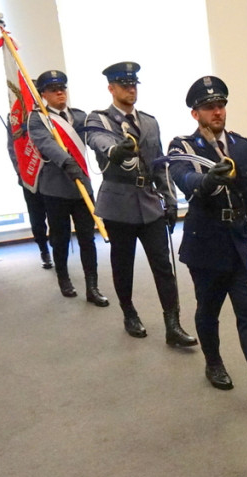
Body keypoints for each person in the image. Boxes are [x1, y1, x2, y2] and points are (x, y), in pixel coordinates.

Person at [166, 76, 247, 407]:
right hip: (206, 245)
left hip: (241, 243)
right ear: (195, 113)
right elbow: (184, 177)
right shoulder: (182, 146)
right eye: (208, 107)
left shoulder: (242, 144)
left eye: (220, 105)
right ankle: (213, 362)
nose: (217, 112)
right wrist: (205, 180)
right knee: (208, 309)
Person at [86, 62, 196, 346]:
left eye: (133, 84)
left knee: (163, 266)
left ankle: (173, 324)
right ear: (111, 88)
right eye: (124, 85)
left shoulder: (149, 121)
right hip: (118, 204)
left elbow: (159, 164)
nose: (130, 89)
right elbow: (98, 141)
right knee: (123, 265)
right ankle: (129, 313)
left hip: (149, 203)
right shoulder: (99, 119)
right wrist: (115, 149)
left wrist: (170, 200)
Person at [27, 70, 107, 305]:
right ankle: (63, 278)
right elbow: (46, 145)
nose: (60, 92)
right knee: (60, 238)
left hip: (82, 187)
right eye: (53, 89)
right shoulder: (37, 119)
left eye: (62, 88)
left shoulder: (80, 116)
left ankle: (92, 287)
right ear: (43, 94)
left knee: (86, 238)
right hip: (55, 189)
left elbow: (94, 138)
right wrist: (67, 162)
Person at [6, 118, 50, 270]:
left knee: (56, 216)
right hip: (28, 175)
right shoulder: (15, 116)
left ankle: (57, 250)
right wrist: (21, 171)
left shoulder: (45, 113)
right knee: (37, 217)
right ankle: (44, 250)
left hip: (51, 175)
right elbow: (12, 148)